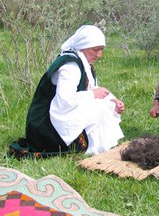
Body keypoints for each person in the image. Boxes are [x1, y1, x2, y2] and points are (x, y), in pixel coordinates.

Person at [24, 25, 125, 156]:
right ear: (83, 46)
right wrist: (92, 95)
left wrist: (113, 100)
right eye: (95, 50)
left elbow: (93, 89)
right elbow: (65, 100)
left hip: (61, 112)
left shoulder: (83, 63)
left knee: (107, 104)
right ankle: (88, 148)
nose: (99, 55)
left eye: (101, 50)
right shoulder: (70, 66)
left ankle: (99, 146)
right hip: (45, 124)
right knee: (98, 106)